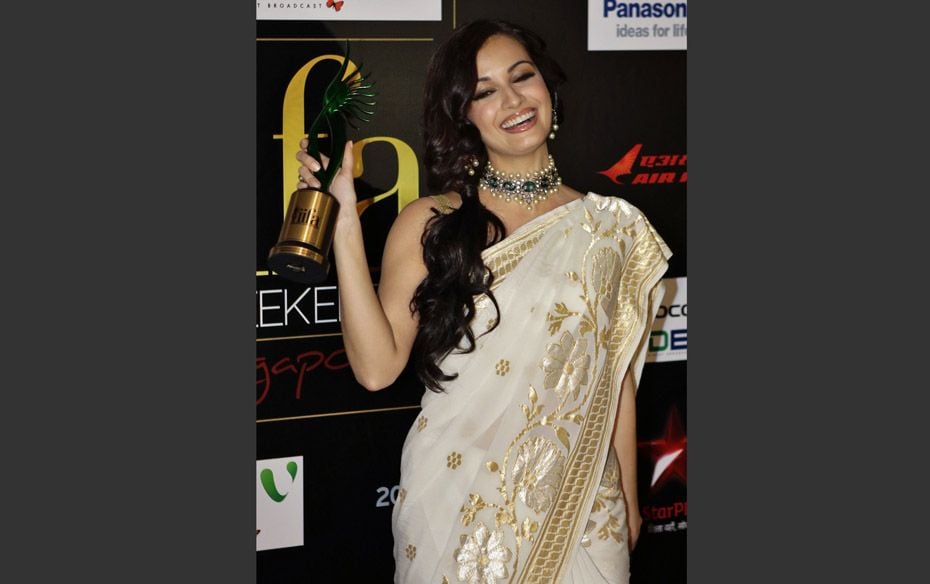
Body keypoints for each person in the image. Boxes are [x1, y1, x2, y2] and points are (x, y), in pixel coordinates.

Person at [295, 19, 671, 584]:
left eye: (523, 78)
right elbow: (376, 369)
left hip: (585, 512)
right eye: (485, 91)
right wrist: (346, 224)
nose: (513, 100)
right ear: (463, 116)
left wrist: (629, 501)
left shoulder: (612, 229)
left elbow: (614, 380)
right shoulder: (433, 222)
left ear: (549, 88)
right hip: (455, 503)